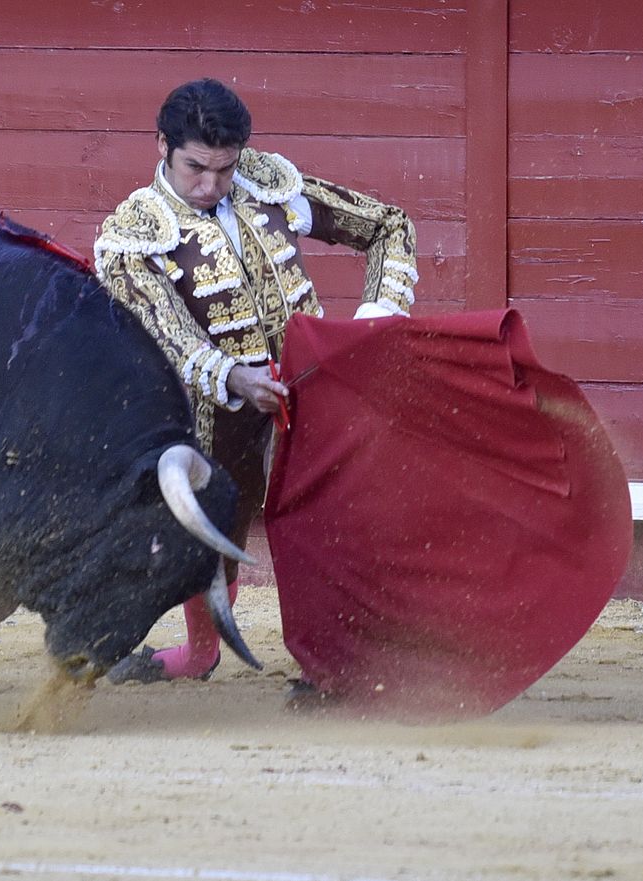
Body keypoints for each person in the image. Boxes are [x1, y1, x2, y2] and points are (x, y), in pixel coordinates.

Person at [97, 78, 420, 684]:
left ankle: (341, 661)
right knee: (211, 530)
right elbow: (168, 332)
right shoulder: (132, 234)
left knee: (338, 527)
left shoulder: (268, 184)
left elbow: (388, 227)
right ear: (162, 146)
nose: (211, 185)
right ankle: (200, 652)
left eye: (225, 168)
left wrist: (373, 327)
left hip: (315, 393)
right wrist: (233, 377)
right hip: (216, 413)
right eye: (196, 167)